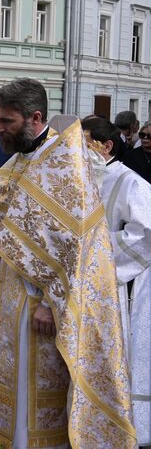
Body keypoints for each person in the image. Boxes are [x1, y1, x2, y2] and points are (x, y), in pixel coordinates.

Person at [0, 78, 135, 448]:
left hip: (42, 302)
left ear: (34, 117)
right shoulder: (24, 157)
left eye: (7, 121)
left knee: (35, 383)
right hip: (11, 289)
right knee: (8, 373)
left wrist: (48, 303)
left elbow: (79, 246)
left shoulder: (67, 164)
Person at [81, 116, 150, 447]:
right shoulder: (81, 177)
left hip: (115, 285)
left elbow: (145, 233)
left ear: (106, 146)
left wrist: (98, 248)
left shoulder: (130, 182)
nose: (77, 151)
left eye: (85, 143)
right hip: (82, 281)